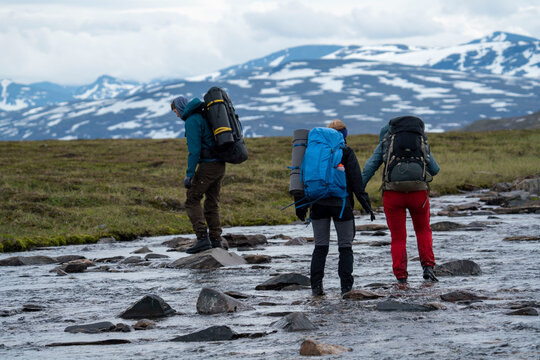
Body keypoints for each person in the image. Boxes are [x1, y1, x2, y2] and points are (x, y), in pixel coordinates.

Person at [296, 120, 374, 296]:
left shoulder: (311, 151)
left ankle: (316, 288)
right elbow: (356, 181)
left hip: (317, 204)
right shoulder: (345, 151)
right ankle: (346, 289)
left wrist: (301, 206)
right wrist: (366, 205)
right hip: (341, 204)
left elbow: (301, 176)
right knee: (345, 246)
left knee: (320, 246)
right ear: (344, 135)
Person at [362, 116, 440, 283]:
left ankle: (401, 276)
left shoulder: (386, 141)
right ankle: (428, 267)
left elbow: (369, 167)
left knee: (398, 237)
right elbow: (435, 169)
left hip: (392, 194)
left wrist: (357, 189)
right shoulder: (419, 141)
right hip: (418, 194)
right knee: (423, 230)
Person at [171, 95, 225, 254]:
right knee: (211, 202)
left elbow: (194, 151)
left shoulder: (192, 120)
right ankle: (216, 241)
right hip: (220, 164)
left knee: (192, 199)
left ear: (180, 108)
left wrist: (189, 175)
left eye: (175, 111)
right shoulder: (202, 115)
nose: (177, 115)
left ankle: (202, 239)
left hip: (208, 165)